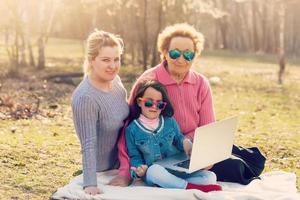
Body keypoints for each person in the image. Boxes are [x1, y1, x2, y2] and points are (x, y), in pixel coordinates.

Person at [117, 23, 216, 181]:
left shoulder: (201, 83)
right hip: (158, 157)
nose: (181, 59)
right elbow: (128, 128)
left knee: (230, 170)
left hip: (193, 152)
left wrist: (206, 155)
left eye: (188, 54)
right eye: (175, 53)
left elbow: (208, 128)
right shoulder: (148, 81)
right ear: (164, 52)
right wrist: (125, 172)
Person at [125, 80, 222, 192]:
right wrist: (139, 169)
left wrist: (186, 143)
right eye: (149, 103)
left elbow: (179, 139)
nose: (154, 107)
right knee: (154, 171)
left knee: (210, 177)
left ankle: (170, 185)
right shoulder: (131, 130)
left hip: (176, 171)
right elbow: (135, 156)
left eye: (160, 104)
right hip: (154, 172)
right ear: (139, 102)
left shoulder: (169, 121)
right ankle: (190, 187)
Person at [71, 30, 130, 195]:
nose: (113, 66)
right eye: (106, 60)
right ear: (91, 60)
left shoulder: (116, 82)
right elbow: (88, 144)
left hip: (124, 163)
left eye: (116, 59)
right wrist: (90, 184)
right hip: (103, 171)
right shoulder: (85, 97)